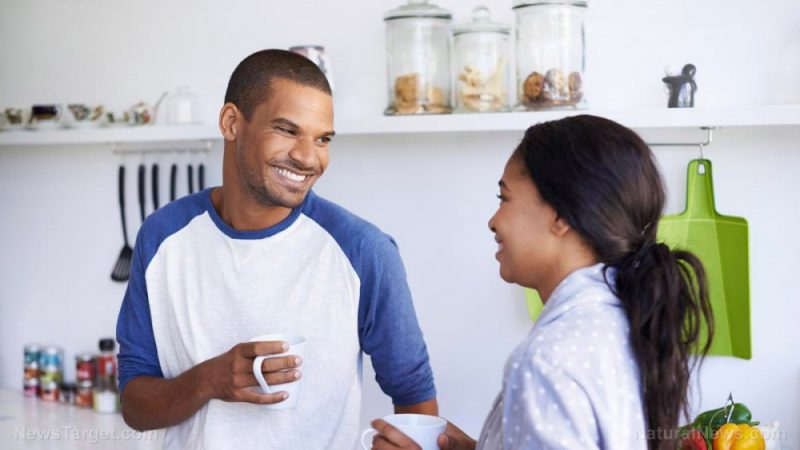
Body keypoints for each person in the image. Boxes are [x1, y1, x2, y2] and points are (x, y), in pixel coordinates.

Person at [116, 49, 438, 449]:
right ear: (232, 122)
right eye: (287, 130)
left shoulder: (364, 251)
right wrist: (210, 380)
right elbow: (134, 407)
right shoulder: (161, 237)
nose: (308, 157)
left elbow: (415, 401)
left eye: (322, 139)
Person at [368, 115, 714, 450]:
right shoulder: (626, 324)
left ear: (561, 215)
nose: (493, 220)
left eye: (504, 199)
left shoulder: (547, 361)